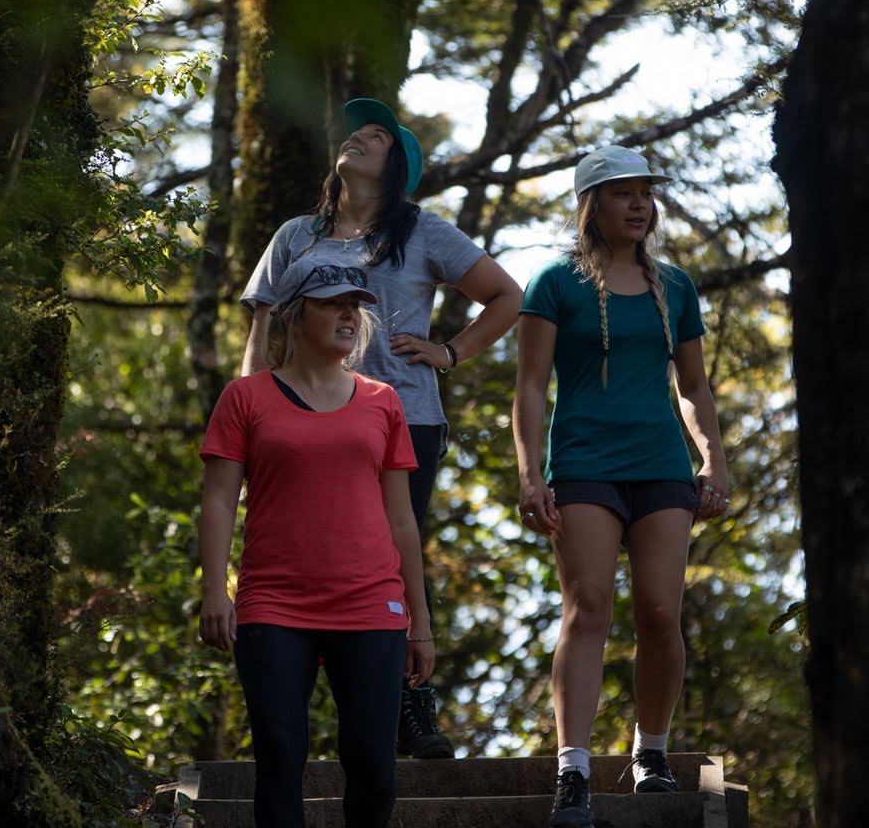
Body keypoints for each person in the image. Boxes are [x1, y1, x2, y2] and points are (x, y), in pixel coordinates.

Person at [240, 96, 522, 757]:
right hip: (303, 421)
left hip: (404, 417)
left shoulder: (423, 232)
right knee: (302, 548)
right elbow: (262, 327)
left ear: (398, 166)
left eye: (377, 135)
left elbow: (508, 296)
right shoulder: (295, 236)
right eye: (355, 132)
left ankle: (410, 706)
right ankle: (293, 704)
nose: (359, 139)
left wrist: (449, 351)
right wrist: (253, 412)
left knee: (397, 551)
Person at [510, 145, 733, 828]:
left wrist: (713, 459)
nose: (639, 204)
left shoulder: (676, 286)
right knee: (588, 607)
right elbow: (529, 386)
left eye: (645, 193)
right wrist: (530, 475)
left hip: (662, 466)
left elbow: (692, 387)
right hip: (583, 464)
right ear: (591, 204)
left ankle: (652, 752)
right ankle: (572, 770)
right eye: (622, 192)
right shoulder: (555, 283)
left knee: (661, 612)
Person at [199, 255, 436, 828]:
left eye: (354, 306)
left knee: (374, 763)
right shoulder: (245, 398)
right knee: (280, 754)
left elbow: (402, 520)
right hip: (274, 605)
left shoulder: (383, 400)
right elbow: (219, 502)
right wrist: (214, 592)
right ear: (294, 316)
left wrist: (420, 622)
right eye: (332, 304)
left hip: (371, 604)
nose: (348, 315)